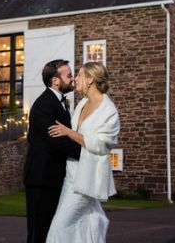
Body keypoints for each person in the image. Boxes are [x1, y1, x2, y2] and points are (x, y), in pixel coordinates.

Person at [46, 62, 120, 243]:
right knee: (83, 222)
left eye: (79, 75)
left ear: (90, 80)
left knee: (60, 225)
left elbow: (102, 145)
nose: (74, 78)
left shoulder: (108, 111)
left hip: (87, 178)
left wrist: (68, 132)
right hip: (70, 174)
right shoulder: (82, 104)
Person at [24, 59, 82, 243]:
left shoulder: (58, 102)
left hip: (53, 177)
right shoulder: (44, 105)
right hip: (42, 178)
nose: (72, 78)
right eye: (69, 75)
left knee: (51, 231)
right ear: (56, 81)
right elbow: (58, 141)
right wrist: (87, 151)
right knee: (39, 233)